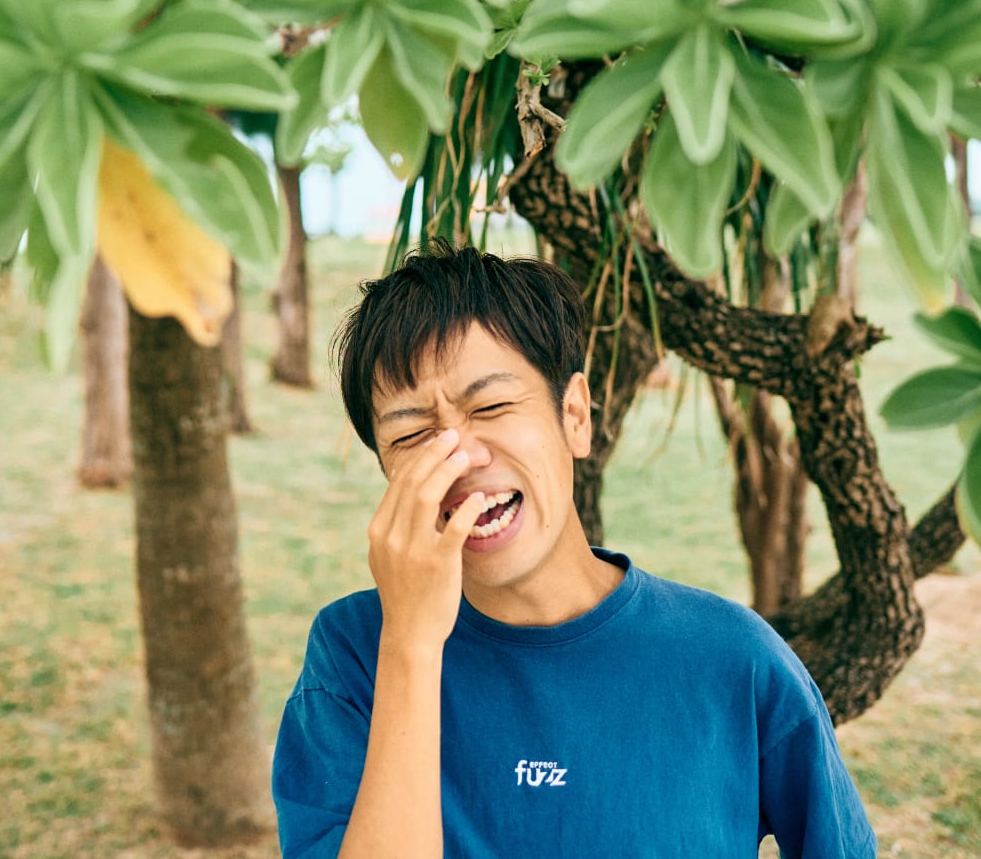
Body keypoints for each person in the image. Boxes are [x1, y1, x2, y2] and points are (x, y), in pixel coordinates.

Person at [271, 241, 877, 859]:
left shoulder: (734, 660)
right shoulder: (352, 656)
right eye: (413, 435)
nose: (461, 457)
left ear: (575, 415)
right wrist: (411, 644)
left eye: (492, 406)